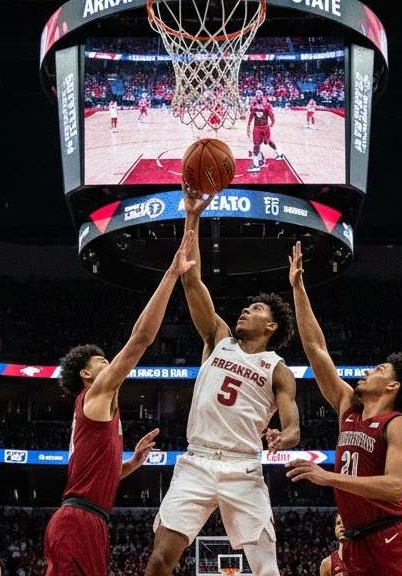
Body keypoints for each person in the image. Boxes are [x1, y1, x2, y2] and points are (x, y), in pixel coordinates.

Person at [144, 196, 301, 576]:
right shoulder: (219, 338)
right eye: (247, 307)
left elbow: (294, 423)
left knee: (267, 569)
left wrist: (286, 437)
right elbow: (191, 278)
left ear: (272, 327)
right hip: (196, 460)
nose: (246, 309)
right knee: (159, 561)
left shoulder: (276, 368)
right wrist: (192, 217)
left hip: (243, 467)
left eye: (257, 309)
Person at [43, 229, 197, 576]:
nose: (109, 364)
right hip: (78, 521)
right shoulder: (95, 394)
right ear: (86, 375)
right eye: (101, 362)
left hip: (90, 520)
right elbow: (141, 339)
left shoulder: (98, 412)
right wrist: (171, 274)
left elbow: (97, 476)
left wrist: (131, 463)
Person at [284, 241, 402, 576]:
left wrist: (328, 476)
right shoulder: (347, 406)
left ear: (393, 387)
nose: (367, 372)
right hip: (354, 545)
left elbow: (395, 487)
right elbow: (316, 348)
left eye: (379, 370)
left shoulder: (399, 424)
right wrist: (298, 288)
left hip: (393, 538)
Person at [246, 89, 284, 172]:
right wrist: (248, 127)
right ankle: (256, 164)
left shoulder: (267, 105)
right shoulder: (253, 104)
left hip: (265, 127)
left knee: (268, 142)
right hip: (257, 127)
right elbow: (251, 116)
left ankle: (279, 152)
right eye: (257, 95)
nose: (258, 96)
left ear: (262, 96)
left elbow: (271, 114)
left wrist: (273, 122)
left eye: (260, 95)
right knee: (256, 145)